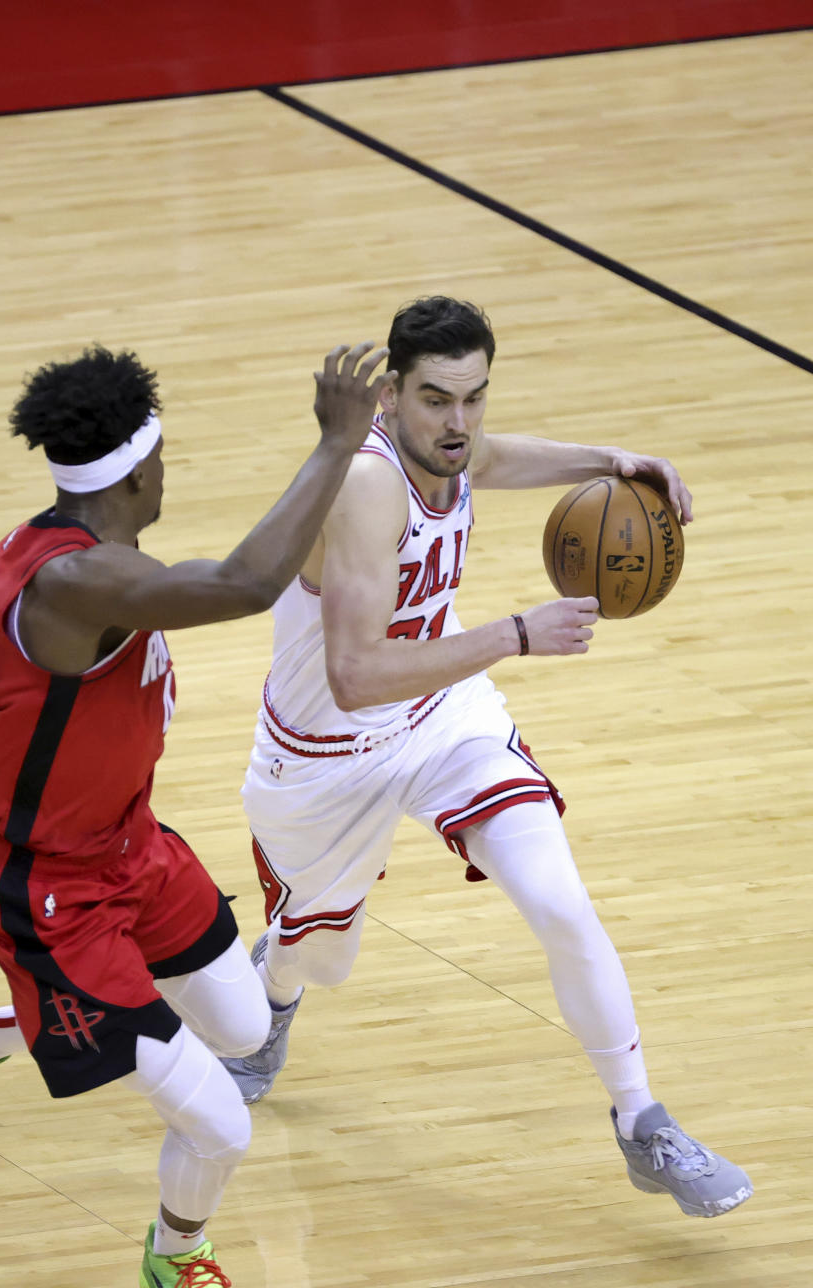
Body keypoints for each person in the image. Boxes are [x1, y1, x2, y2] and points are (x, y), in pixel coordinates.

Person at [0, 337, 396, 1288]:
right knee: (224, 1124)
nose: (171, 474)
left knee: (248, 1025)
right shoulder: (89, 585)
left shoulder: (31, 550)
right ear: (136, 472)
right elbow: (249, 583)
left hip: (128, 849)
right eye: (164, 461)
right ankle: (177, 1260)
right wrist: (340, 442)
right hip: (47, 898)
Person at [224, 296, 753, 1221]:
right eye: (436, 400)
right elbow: (353, 677)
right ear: (389, 395)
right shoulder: (364, 486)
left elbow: (495, 459)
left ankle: (643, 1121)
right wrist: (515, 633)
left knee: (559, 900)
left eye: (474, 398)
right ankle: (273, 985)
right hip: (325, 756)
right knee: (324, 959)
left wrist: (613, 461)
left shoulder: (456, 446)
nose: (459, 423)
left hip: (440, 715)